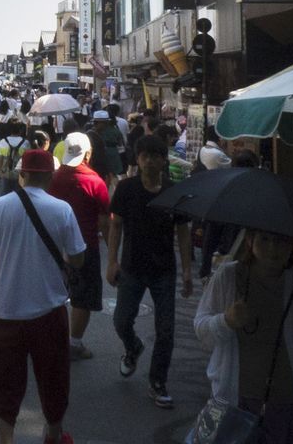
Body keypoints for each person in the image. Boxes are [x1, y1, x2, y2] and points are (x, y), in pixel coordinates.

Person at [193, 229, 293, 444]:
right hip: (235, 405)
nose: (272, 248)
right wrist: (226, 321)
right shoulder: (227, 278)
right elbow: (202, 331)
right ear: (250, 241)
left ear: (292, 244)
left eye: (281, 240)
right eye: (265, 239)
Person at [0, 149, 86, 444]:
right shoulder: (62, 209)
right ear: (50, 177)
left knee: (5, 381)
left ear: (22, 175)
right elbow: (78, 258)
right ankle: (53, 434)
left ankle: (7, 439)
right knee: (54, 377)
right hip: (49, 309)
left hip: (7, 310)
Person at [106, 134, 195, 410]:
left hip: (163, 271)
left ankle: (158, 382)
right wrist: (111, 262)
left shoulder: (174, 191)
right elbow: (116, 226)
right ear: (138, 158)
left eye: (154, 156)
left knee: (166, 331)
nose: (148, 161)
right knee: (121, 321)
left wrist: (188, 271)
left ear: (163, 159)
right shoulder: (126, 189)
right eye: (144, 156)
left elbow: (182, 232)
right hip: (132, 267)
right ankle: (133, 347)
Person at [48, 132, 110, 361]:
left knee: (53, 295)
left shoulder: (53, 178)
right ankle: (74, 343)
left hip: (53, 247)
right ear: (88, 154)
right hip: (85, 249)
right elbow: (105, 222)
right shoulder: (95, 182)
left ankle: (51, 339)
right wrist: (113, 255)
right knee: (82, 298)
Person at [200, 150, 260, 280]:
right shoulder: (258, 195)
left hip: (226, 257)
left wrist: (205, 268)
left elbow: (210, 236)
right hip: (246, 259)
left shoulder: (223, 191)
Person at [88, 109, 124, 189]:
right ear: (98, 122)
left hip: (107, 161)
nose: (106, 125)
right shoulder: (91, 134)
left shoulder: (92, 133)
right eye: (104, 123)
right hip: (98, 164)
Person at [0, 126, 29, 197]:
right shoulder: (26, 142)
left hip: (5, 173)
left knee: (3, 197)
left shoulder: (3, 141)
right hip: (20, 175)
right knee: (19, 197)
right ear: (20, 131)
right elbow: (27, 160)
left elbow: (0, 158)